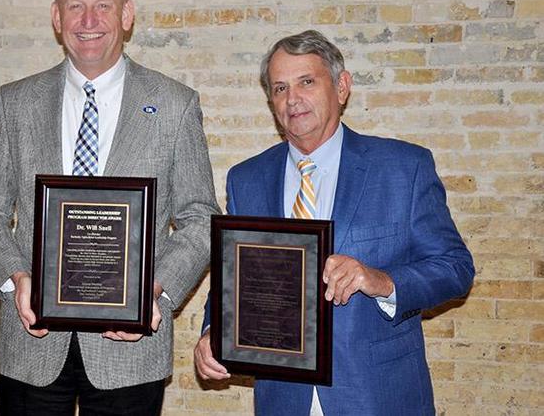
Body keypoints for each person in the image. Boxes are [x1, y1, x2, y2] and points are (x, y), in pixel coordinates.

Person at [0, 0, 220, 415]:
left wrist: (153, 294)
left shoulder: (175, 105)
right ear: (57, 18)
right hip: (31, 345)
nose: (89, 20)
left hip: (130, 351)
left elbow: (201, 218)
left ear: (126, 13)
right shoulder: (14, 103)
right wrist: (16, 278)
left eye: (102, 5)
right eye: (75, 6)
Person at [193, 30, 474, 415]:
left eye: (306, 81)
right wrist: (213, 333)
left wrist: (381, 280)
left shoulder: (403, 168)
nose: (292, 99)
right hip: (282, 398)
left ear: (342, 87)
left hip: (377, 397)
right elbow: (235, 279)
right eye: (279, 88)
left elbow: (455, 268)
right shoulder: (248, 179)